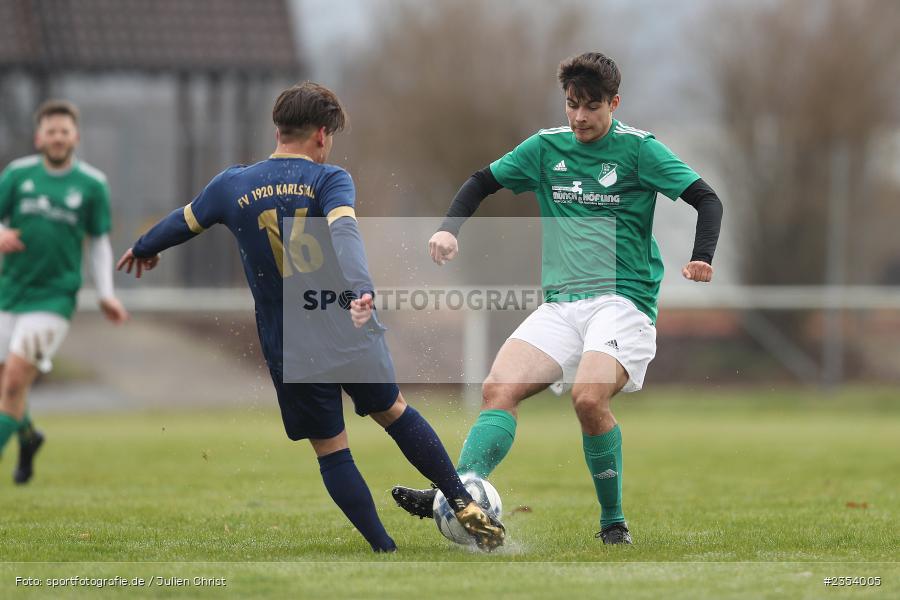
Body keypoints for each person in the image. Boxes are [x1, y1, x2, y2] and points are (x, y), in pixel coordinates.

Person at [116, 82, 505, 552]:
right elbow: (345, 235)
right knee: (394, 412)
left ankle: (385, 548)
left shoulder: (232, 185)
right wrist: (361, 288)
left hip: (290, 341)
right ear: (322, 134)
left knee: (331, 446)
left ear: (279, 129)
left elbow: (183, 221)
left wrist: (144, 246)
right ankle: (461, 498)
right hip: (344, 322)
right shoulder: (330, 179)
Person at [391, 52, 723, 545]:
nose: (580, 117)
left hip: (623, 301)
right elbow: (481, 182)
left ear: (614, 103)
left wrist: (701, 256)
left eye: (592, 106)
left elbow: (706, 198)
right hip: (563, 304)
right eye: (572, 105)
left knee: (588, 399)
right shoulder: (546, 148)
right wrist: (448, 230)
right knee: (497, 389)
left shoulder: (638, 151)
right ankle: (457, 494)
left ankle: (613, 523)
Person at [0, 100, 129, 484]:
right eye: (51, 131)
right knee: (6, 387)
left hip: (54, 298)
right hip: (9, 292)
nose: (57, 138)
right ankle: (29, 436)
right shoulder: (17, 175)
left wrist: (106, 293)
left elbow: (100, 241)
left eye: (64, 131)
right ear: (40, 137)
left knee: (12, 383)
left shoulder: (92, 184)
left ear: (75, 136)